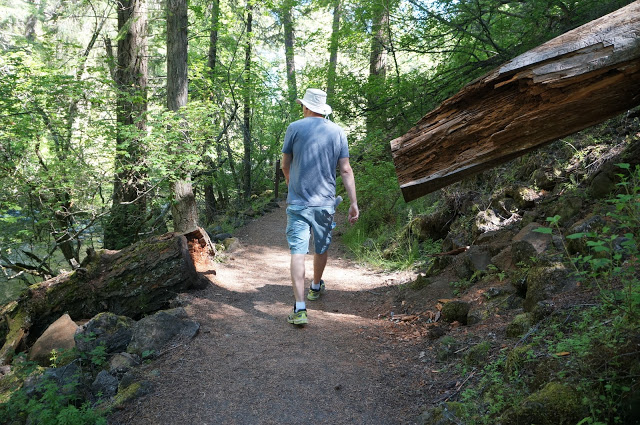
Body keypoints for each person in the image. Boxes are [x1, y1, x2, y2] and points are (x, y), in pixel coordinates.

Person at [281, 88, 359, 326]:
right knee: (321, 246)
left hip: (298, 203)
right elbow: (345, 169)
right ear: (323, 109)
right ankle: (315, 286)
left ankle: (300, 308)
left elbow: (285, 164)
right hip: (325, 203)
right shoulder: (337, 131)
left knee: (298, 252)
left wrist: (290, 183)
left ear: (306, 107)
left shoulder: (294, 128)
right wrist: (353, 202)